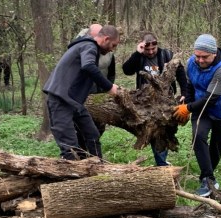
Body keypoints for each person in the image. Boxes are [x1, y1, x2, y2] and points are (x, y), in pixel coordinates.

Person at [173, 34, 221, 197]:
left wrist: (188, 107)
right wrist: (185, 104)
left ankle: (206, 177)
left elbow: (210, 99)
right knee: (198, 135)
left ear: (214, 53)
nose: (200, 60)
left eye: (205, 57)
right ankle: (209, 179)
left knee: (216, 146)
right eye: (197, 56)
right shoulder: (191, 63)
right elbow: (190, 86)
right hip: (201, 109)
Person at [43, 25, 120, 160]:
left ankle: (97, 168)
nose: (112, 49)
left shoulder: (89, 47)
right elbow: (88, 66)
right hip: (60, 100)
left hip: (73, 102)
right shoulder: (88, 46)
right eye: (113, 45)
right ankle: (72, 177)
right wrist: (109, 87)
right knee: (70, 149)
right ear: (106, 39)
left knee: (92, 135)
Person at [122, 32, 187, 166]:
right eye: (147, 49)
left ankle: (161, 162)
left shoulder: (167, 55)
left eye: (153, 48)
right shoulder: (139, 57)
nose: (151, 52)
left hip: (166, 100)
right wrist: (137, 53)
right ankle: (161, 162)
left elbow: (181, 74)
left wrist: (184, 93)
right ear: (142, 46)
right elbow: (127, 70)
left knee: (164, 131)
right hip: (145, 102)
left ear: (157, 44)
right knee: (153, 131)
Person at [73, 24, 116, 158]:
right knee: (81, 130)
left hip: (99, 96)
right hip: (81, 96)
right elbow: (86, 67)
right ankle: (80, 156)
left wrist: (106, 88)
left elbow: (111, 74)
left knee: (97, 130)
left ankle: (93, 160)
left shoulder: (108, 54)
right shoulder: (82, 47)